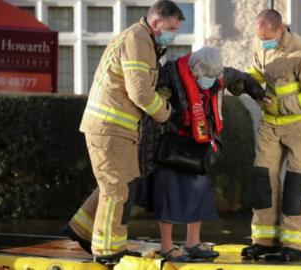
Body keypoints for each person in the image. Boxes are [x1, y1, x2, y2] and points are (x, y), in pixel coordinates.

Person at [63, 0, 184, 265]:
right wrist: (166, 112)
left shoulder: (144, 40)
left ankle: (82, 229)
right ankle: (108, 251)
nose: (173, 34)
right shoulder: (138, 40)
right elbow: (139, 92)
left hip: (119, 127)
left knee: (119, 182)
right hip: (110, 127)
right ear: (156, 23)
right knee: (116, 190)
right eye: (171, 28)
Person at [138, 47, 267, 262]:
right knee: (168, 194)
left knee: (198, 192)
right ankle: (167, 247)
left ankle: (193, 243)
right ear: (195, 70)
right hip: (171, 142)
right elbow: (154, 102)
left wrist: (260, 95)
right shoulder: (171, 72)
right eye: (206, 77)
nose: (210, 81)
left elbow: (242, 79)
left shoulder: (217, 74)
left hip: (199, 142)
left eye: (213, 77)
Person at [241, 9, 301, 261]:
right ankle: (263, 241)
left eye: (267, 37)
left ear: (280, 30)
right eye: (260, 37)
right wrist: (245, 80)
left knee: (295, 184)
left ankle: (293, 245)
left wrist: (281, 106)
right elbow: (260, 70)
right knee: (263, 181)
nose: (263, 42)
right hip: (271, 125)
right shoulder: (261, 45)